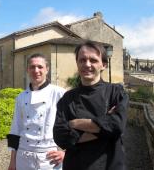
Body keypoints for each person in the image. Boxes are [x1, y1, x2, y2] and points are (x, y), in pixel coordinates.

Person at [53, 42, 128, 170]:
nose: (87, 64)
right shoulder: (68, 98)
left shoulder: (116, 93)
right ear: (77, 63)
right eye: (82, 60)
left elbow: (117, 125)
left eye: (93, 60)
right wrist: (104, 127)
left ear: (103, 65)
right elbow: (60, 137)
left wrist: (74, 124)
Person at [7, 53, 66, 170]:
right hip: (23, 156)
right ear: (27, 70)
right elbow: (15, 129)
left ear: (47, 69)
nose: (36, 70)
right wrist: (12, 162)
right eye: (32, 67)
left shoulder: (59, 93)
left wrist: (66, 152)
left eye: (40, 67)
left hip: (49, 157)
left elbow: (72, 125)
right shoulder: (21, 97)